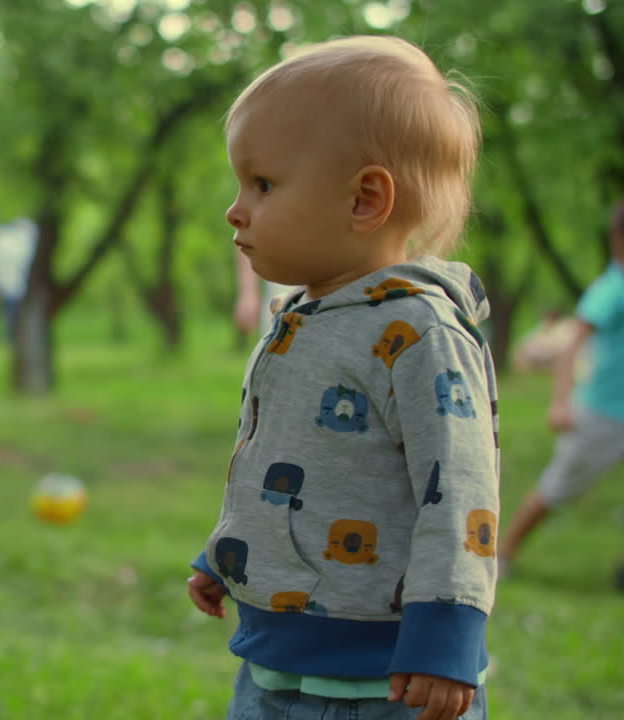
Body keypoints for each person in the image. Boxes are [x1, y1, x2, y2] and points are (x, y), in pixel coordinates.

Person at [185, 36, 497, 720]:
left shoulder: (418, 332)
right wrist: (228, 555)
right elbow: (284, 461)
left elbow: (461, 492)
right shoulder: (301, 317)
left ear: (364, 200)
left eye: (263, 184)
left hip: (388, 683)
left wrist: (446, 637)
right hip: (276, 668)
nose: (236, 208)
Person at [499, 196, 624, 595]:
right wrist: (561, 402)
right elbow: (573, 344)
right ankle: (502, 556)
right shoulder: (611, 289)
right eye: (622, 253)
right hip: (600, 415)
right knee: (554, 491)